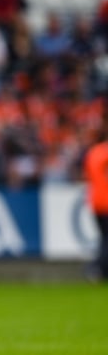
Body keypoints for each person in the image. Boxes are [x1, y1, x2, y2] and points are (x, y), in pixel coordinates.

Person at [83, 119, 108, 283]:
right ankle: (97, 268)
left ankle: (99, 268)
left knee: (104, 237)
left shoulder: (93, 152)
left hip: (96, 201)